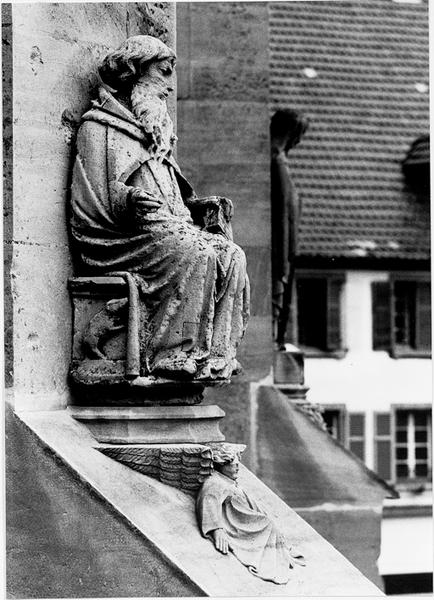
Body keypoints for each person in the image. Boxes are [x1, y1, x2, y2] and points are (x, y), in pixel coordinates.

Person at [70, 36, 249, 381]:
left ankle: (216, 354)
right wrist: (128, 200)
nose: (169, 87)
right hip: (121, 237)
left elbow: (172, 194)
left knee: (232, 255)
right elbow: (91, 198)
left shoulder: (153, 134)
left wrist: (199, 209)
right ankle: (174, 352)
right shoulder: (99, 128)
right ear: (134, 74)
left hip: (163, 230)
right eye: (163, 73)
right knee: (199, 253)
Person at [196, 444, 305, 584]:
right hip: (235, 523)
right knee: (267, 524)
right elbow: (208, 501)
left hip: (242, 516)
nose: (237, 467)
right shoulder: (215, 483)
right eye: (233, 464)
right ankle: (270, 559)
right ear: (221, 465)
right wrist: (217, 530)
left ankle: (281, 551)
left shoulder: (228, 481)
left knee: (268, 522)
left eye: (237, 463)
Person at [270, 109, 309, 349]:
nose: (300, 141)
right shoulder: (277, 160)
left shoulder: (278, 158)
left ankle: (276, 337)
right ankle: (274, 338)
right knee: (278, 291)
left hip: (285, 241)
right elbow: (283, 208)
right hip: (280, 243)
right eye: (299, 134)